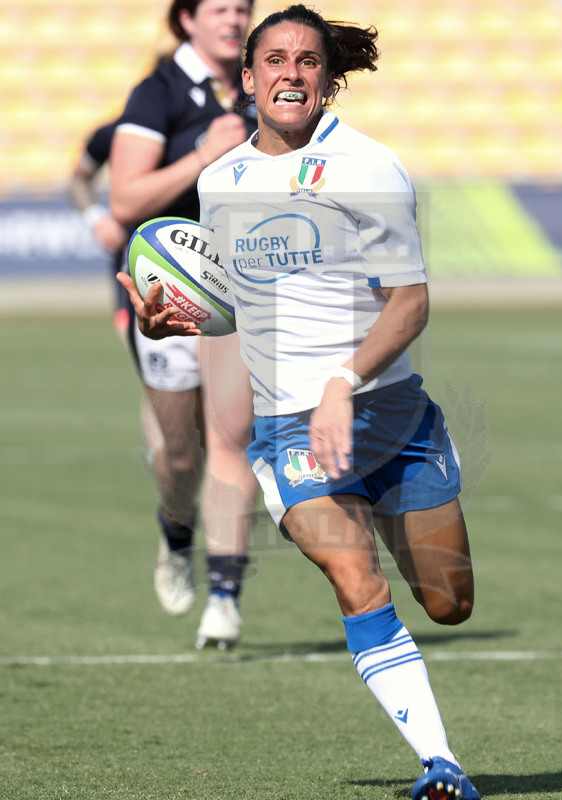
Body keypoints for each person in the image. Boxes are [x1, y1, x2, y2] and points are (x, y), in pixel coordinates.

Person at [119, 4, 482, 797]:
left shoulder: (368, 166)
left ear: (328, 78)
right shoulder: (219, 182)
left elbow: (409, 303)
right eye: (273, 60)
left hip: (390, 415)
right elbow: (230, 298)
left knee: (449, 603)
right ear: (246, 80)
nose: (291, 73)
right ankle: (440, 766)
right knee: (354, 578)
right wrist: (170, 312)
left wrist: (341, 383)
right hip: (291, 425)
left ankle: (406, 497)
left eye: (307, 61)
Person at [109, 0, 259, 649]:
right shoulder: (158, 91)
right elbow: (125, 200)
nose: (233, 19)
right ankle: (176, 535)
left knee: (231, 435)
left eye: (243, 8)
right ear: (186, 19)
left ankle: (224, 596)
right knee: (178, 453)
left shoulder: (263, 86)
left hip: (243, 289)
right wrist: (202, 154)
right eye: (220, 8)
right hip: (167, 294)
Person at [69, 119, 131, 334]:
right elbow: (79, 179)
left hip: (197, 239)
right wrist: (97, 219)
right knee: (132, 328)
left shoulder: (206, 122)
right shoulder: (115, 130)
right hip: (132, 245)